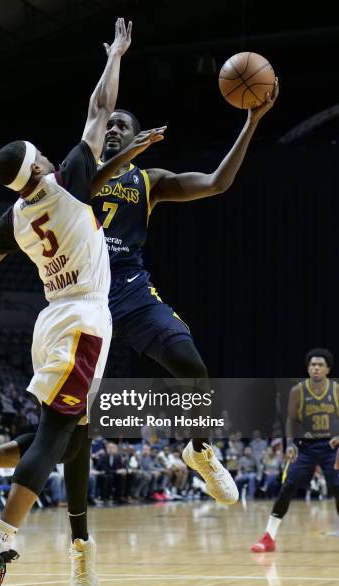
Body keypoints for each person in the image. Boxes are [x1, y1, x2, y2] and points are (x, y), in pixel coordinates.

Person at [0, 19, 141, 586]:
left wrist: (19, 226)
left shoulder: (15, 217)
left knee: (68, 435)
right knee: (60, 436)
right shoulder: (68, 185)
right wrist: (115, 54)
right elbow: (100, 107)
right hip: (85, 321)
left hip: (50, 320)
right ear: (40, 167)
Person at [89, 73, 279, 505]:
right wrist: (115, 61)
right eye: (111, 124)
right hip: (81, 291)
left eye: (125, 125)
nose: (115, 128)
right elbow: (96, 118)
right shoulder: (81, 170)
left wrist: (251, 122)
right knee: (68, 415)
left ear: (138, 137)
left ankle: (199, 450)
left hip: (131, 289)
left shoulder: (148, 180)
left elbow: (216, 183)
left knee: (193, 369)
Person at [251, 348, 339, 552]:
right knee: (288, 487)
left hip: (330, 447)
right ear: (308, 368)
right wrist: (290, 443)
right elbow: (291, 419)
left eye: (320, 365)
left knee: (338, 488)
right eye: (312, 365)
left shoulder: (335, 390)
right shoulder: (298, 390)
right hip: (305, 447)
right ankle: (268, 537)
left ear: (327, 369)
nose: (316, 368)